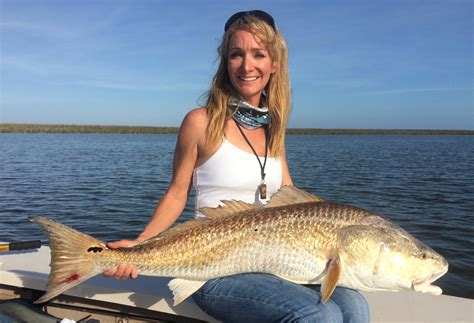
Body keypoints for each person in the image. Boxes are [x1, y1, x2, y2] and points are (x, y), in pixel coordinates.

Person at [104, 10, 370, 322]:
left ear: (274, 64)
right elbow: (177, 193)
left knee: (354, 307)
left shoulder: (274, 130)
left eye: (258, 54)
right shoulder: (199, 122)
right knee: (318, 316)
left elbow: (291, 198)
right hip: (209, 266)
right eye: (236, 54)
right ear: (225, 63)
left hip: (266, 262)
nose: (247, 65)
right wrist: (140, 244)